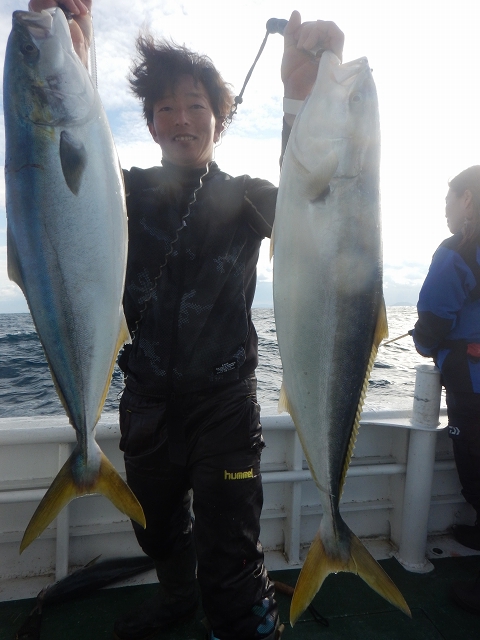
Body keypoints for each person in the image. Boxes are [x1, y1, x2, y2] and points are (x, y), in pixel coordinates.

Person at [28, 1, 344, 639]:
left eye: (196, 105)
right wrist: (70, 56)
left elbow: (315, 203)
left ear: (219, 117)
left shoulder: (251, 196)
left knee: (230, 544)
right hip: (146, 401)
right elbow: (67, 176)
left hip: (225, 406)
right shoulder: (124, 193)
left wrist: (303, 100)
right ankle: (178, 599)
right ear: (149, 123)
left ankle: (242, 621)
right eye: (166, 107)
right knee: (156, 527)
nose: (181, 118)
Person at [412, 166, 480, 552]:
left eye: (448, 199)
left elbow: (433, 323)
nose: (445, 208)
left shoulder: (456, 251)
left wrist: (422, 340)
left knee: (475, 467)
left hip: (472, 384)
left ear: (467, 199)